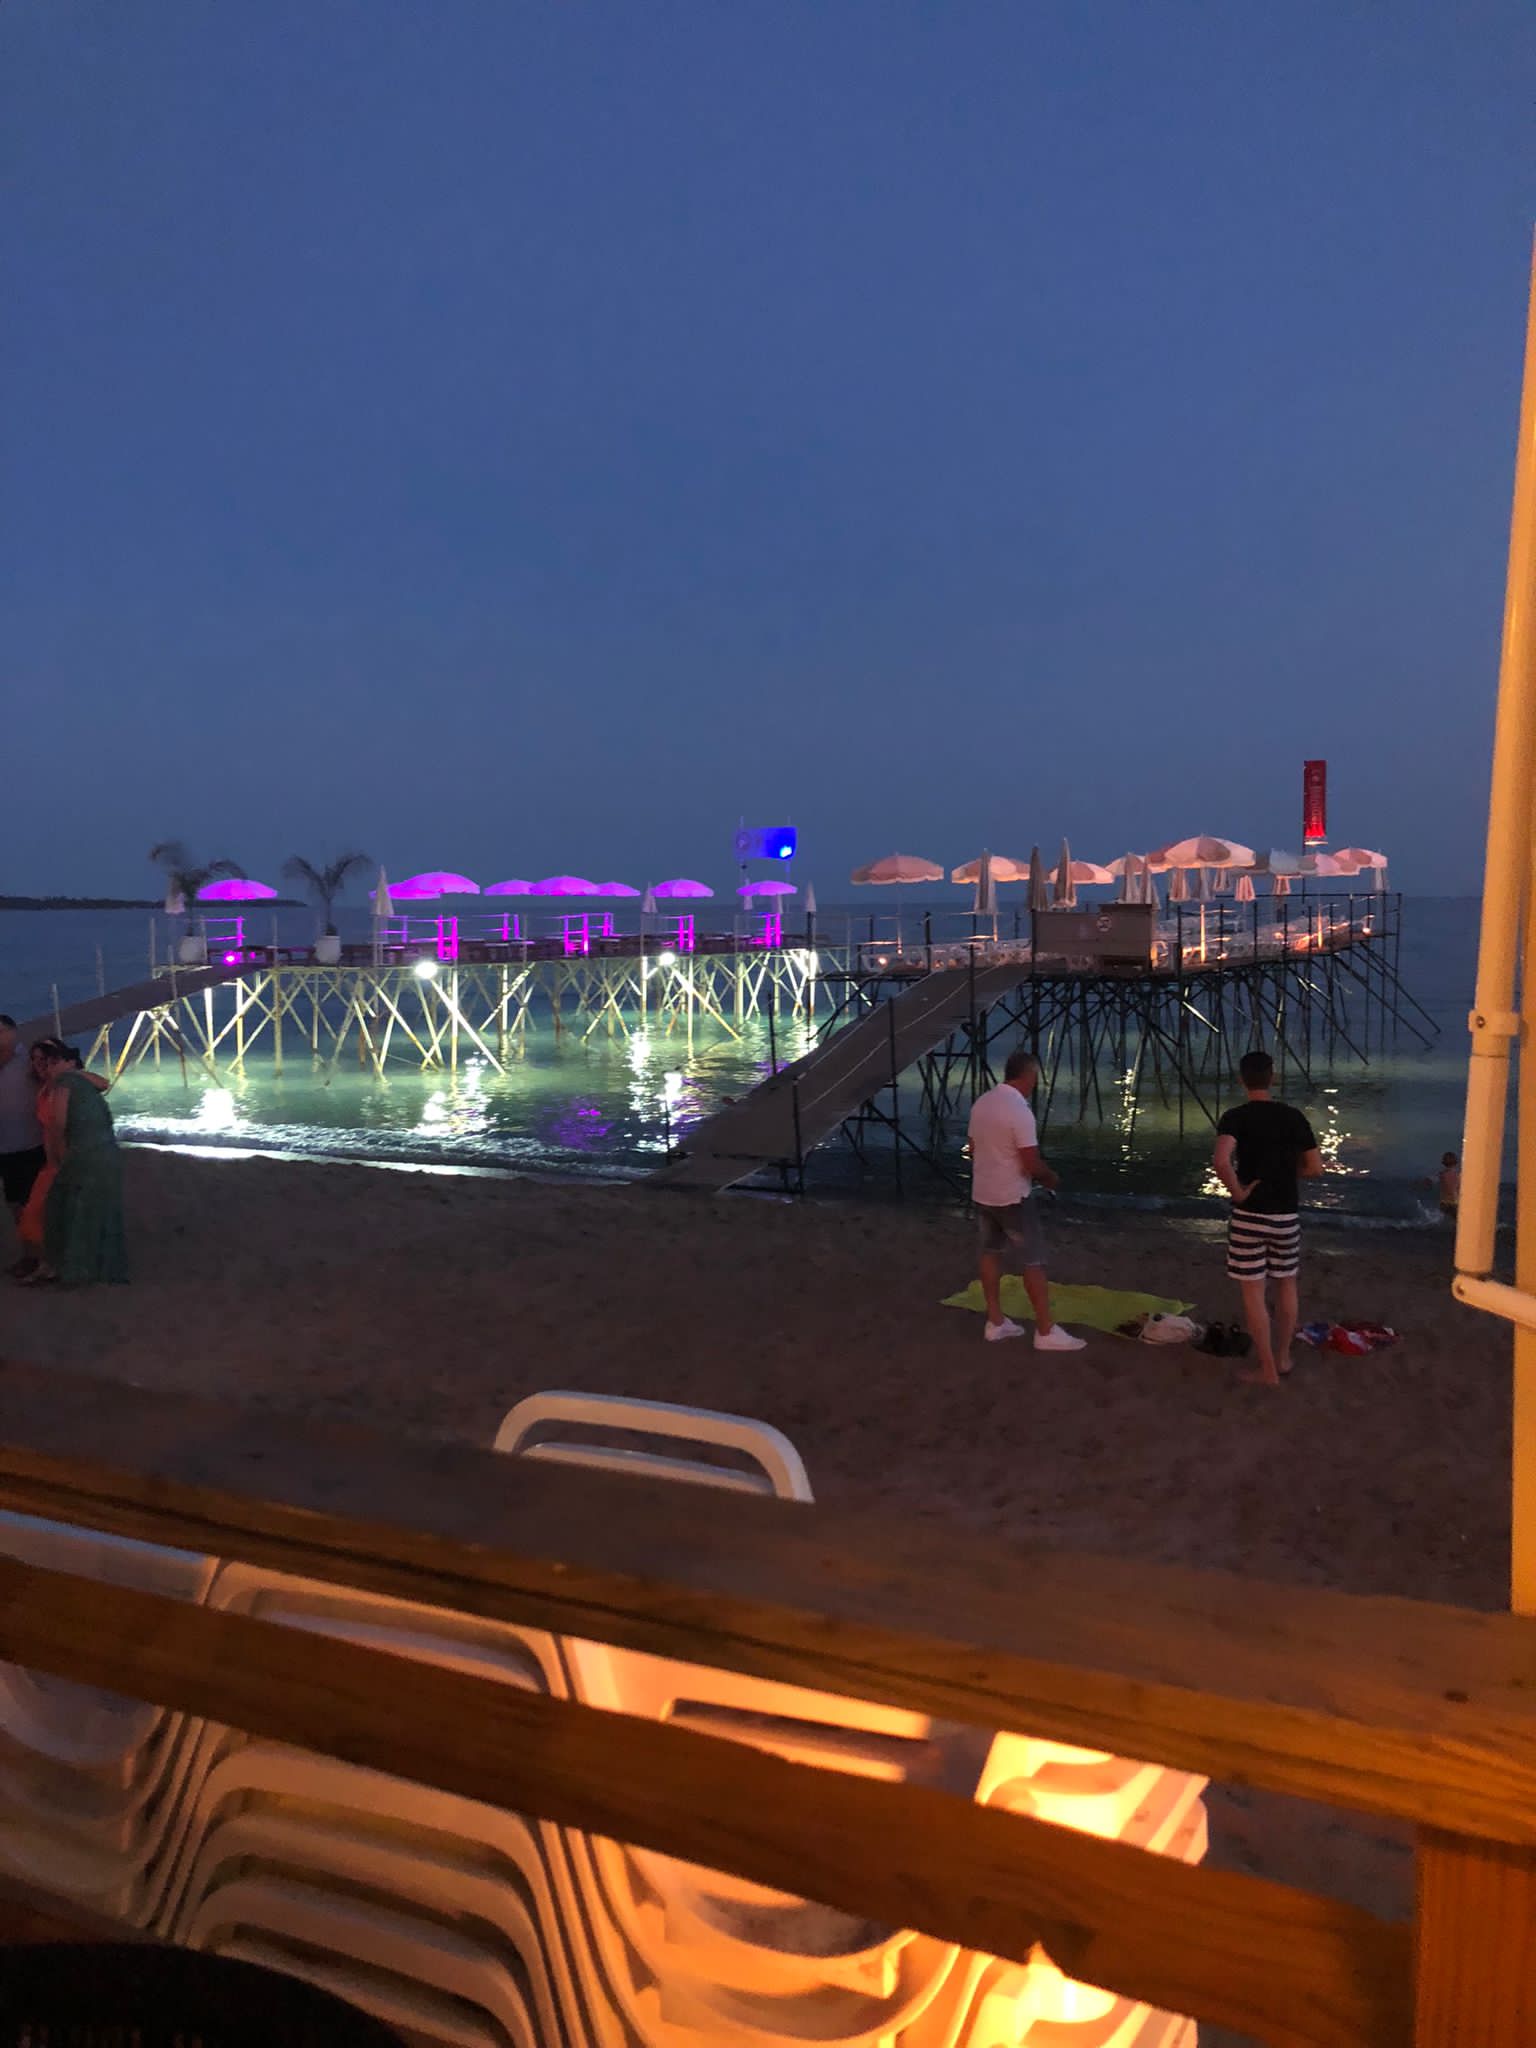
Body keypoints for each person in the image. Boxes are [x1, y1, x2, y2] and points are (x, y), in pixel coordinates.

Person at [1212, 1051, 1323, 1388]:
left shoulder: (1235, 1117)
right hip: (1285, 1214)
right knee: (1287, 1283)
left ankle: (1267, 1369)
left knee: (1253, 1293)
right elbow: (1315, 1168)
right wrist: (1285, 1175)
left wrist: (1238, 1192)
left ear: (1242, 1080)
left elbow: (1221, 1161)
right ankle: (1283, 1357)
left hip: (1250, 1216)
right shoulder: (1293, 1117)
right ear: (1272, 1078)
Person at [966, 1049, 1085, 1350]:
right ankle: (1045, 1330)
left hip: (983, 1192)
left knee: (990, 1253)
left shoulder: (982, 1103)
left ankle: (995, 1321)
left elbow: (972, 1148)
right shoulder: (1019, 1110)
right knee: (1033, 1260)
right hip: (1012, 1197)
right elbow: (1031, 1163)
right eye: (1035, 1078)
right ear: (1028, 1076)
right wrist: (1051, 1178)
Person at [18, 1041, 126, 1288]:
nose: (43, 1064)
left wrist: (71, 1072)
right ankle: (48, 1264)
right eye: (37, 1060)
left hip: (67, 1156)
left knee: (55, 1212)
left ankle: (52, 1266)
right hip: (59, 1156)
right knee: (45, 1212)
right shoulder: (45, 1086)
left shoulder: (67, 1082)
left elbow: (103, 1084)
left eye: (49, 1059)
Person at [0, 1015, 46, 1261]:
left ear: (13, 1032)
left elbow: (60, 1081)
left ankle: (39, 1258)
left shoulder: (29, 1061)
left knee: (32, 1205)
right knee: (14, 1204)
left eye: (1, 1031)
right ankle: (28, 1256)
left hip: (30, 1144)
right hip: (4, 1146)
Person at [1436, 1151, 1461, 1217]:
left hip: (1444, 1204)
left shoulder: (1441, 1174)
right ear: (1455, 1162)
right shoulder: (1458, 1175)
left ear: (1444, 1163)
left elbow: (1432, 1179)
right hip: (1454, 1204)